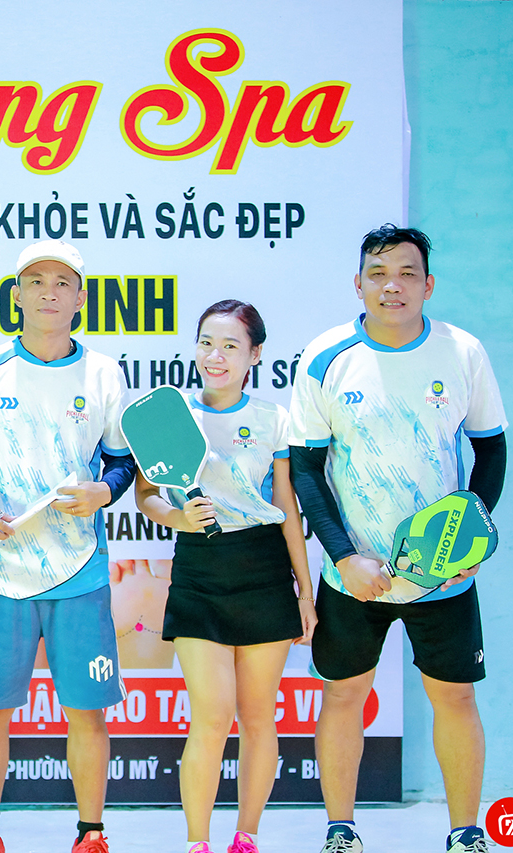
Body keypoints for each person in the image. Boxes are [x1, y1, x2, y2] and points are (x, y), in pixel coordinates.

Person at [288, 225, 507, 853]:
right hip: (353, 575)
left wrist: (464, 544)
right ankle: (341, 830)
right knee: (344, 695)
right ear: (358, 284)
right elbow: (306, 468)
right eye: (379, 273)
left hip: (442, 577)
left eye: (408, 273)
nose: (393, 286)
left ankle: (465, 833)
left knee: (456, 697)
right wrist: (344, 556)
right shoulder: (325, 356)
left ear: (428, 285)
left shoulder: (462, 352)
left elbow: (491, 451)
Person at [0, 239, 136, 853]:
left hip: (79, 571)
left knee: (87, 711)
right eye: (36, 281)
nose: (49, 292)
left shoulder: (104, 374)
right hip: (1, 570)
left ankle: (91, 834)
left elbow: (122, 463)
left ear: (80, 298)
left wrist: (104, 491)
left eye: (62, 282)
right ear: (17, 295)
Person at [136, 300, 316, 853]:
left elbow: (286, 507)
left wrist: (305, 593)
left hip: (264, 571)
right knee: (211, 718)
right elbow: (146, 496)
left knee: (258, 718)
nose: (215, 356)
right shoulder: (167, 414)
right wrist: (178, 518)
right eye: (206, 343)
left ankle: (246, 837)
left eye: (231, 346)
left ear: (254, 355)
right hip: (199, 572)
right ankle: (198, 842)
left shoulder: (273, 420)